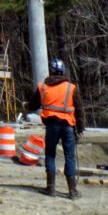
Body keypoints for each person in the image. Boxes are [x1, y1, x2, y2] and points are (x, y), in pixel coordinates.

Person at [33, 56, 85, 199]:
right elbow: (79, 110)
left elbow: (33, 105)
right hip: (68, 126)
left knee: (50, 155)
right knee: (70, 156)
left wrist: (26, 106)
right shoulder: (71, 88)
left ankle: (51, 188)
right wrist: (80, 129)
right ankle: (73, 191)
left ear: (51, 72)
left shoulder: (42, 86)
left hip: (51, 126)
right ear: (63, 72)